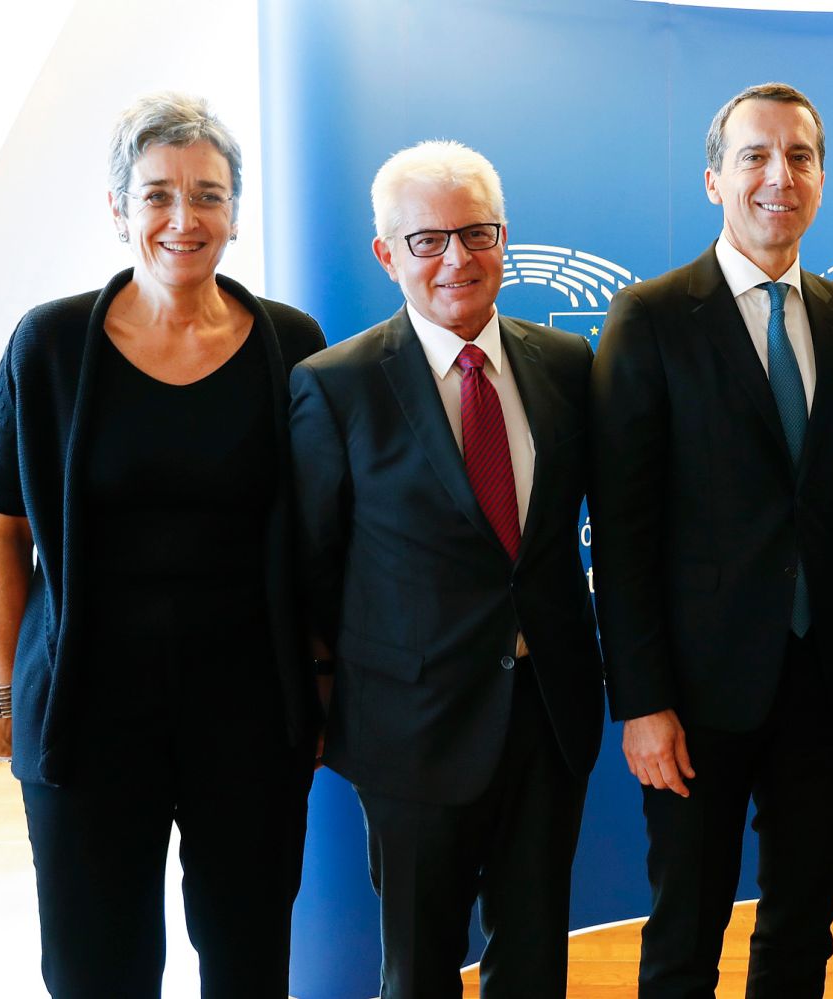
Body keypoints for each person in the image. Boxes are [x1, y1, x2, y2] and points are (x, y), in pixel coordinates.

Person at [0, 91, 325, 998]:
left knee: (247, 956)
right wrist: (3, 697)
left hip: (247, 709)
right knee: (97, 965)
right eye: (158, 193)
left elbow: (326, 538)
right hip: (86, 707)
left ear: (236, 215)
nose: (183, 217)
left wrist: (324, 687)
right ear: (119, 209)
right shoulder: (47, 343)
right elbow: (2, 529)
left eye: (208, 194)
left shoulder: (293, 345)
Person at [288, 140, 601, 999]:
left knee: (535, 957)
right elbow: (312, 570)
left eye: (477, 233)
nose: (457, 259)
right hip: (409, 729)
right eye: (428, 240)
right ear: (388, 254)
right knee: (420, 967)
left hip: (549, 714)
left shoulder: (569, 365)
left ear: (506, 238)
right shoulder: (335, 386)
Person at [590, 82, 833, 998]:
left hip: (826, 684)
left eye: (800, 156)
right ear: (715, 179)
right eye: (754, 155)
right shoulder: (652, 317)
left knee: (802, 925)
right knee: (685, 929)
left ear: (821, 178)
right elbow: (621, 531)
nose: (777, 176)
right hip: (695, 697)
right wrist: (642, 701)